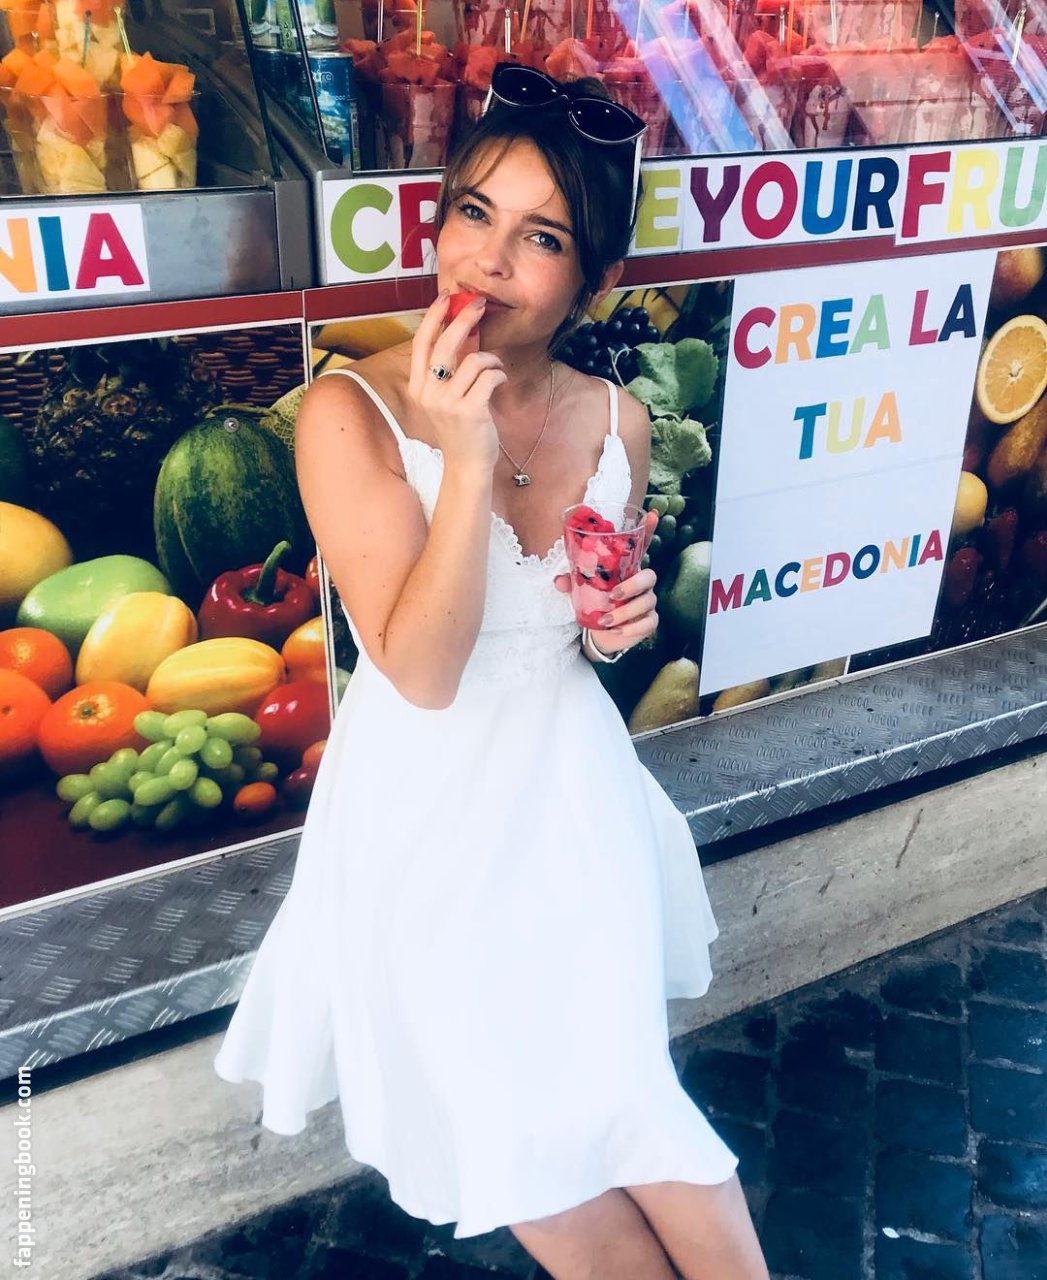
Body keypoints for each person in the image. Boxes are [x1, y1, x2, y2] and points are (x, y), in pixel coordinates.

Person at [213, 66, 770, 1280]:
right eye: (474, 211)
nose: (489, 258)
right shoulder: (345, 414)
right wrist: (464, 464)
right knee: (530, 1158)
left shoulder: (619, 422)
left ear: (594, 280)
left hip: (573, 813)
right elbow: (419, 669)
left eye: (543, 237)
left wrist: (612, 626)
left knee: (633, 1106)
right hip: (427, 836)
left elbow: (584, 634)